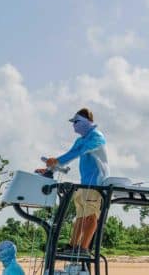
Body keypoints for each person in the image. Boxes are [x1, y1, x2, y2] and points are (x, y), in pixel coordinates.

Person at [42, 107, 109, 252]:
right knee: (80, 216)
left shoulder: (96, 136)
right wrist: (50, 168)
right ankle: (72, 245)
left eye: (76, 122)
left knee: (90, 216)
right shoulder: (81, 140)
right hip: (85, 184)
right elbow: (69, 154)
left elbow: (79, 152)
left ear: (88, 121)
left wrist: (56, 161)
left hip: (96, 183)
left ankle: (83, 248)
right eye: (73, 122)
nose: (74, 125)